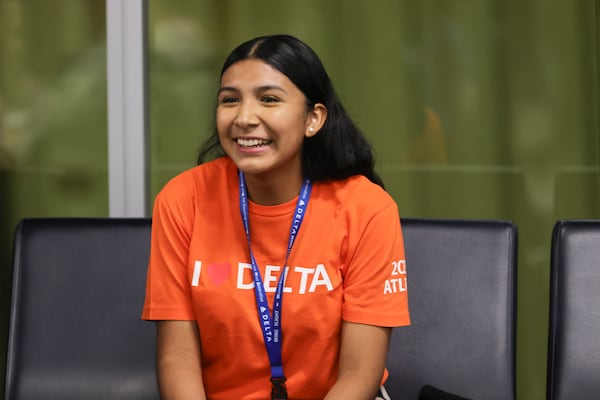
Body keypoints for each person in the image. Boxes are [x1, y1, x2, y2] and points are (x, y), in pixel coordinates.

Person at [142, 34, 410, 400]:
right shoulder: (182, 199)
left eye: (269, 99)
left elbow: (358, 376)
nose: (244, 117)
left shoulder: (367, 209)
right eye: (230, 100)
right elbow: (177, 358)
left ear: (313, 119)